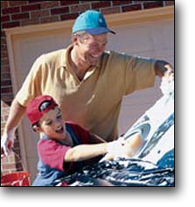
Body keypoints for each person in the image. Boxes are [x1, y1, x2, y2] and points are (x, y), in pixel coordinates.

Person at [1, 9, 174, 157]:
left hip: (103, 158)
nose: (100, 50)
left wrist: (169, 77)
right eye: (94, 44)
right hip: (62, 161)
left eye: (104, 43)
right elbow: (21, 101)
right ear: (76, 40)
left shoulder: (115, 65)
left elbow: (157, 66)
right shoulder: (46, 65)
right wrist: (9, 131)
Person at [24, 95, 142, 186]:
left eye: (59, 116)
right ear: (38, 129)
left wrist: (112, 149)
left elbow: (91, 138)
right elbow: (73, 154)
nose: (58, 124)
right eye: (49, 123)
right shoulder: (45, 146)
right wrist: (110, 147)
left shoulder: (71, 128)